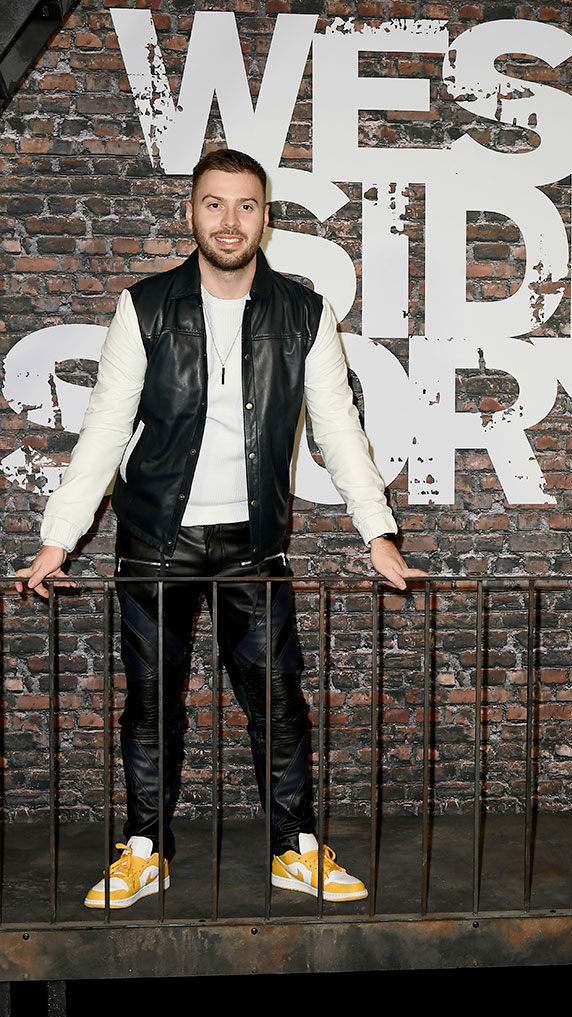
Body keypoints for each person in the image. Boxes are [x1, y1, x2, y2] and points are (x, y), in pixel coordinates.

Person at [16, 149, 424, 909]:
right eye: (214, 204)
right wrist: (58, 538)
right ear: (191, 214)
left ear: (265, 217)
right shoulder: (145, 307)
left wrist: (378, 533)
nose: (229, 221)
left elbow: (339, 430)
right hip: (154, 543)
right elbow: (104, 428)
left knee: (278, 702)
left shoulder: (304, 314)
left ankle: (293, 849)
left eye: (246, 205)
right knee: (150, 704)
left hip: (254, 545)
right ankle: (145, 849)